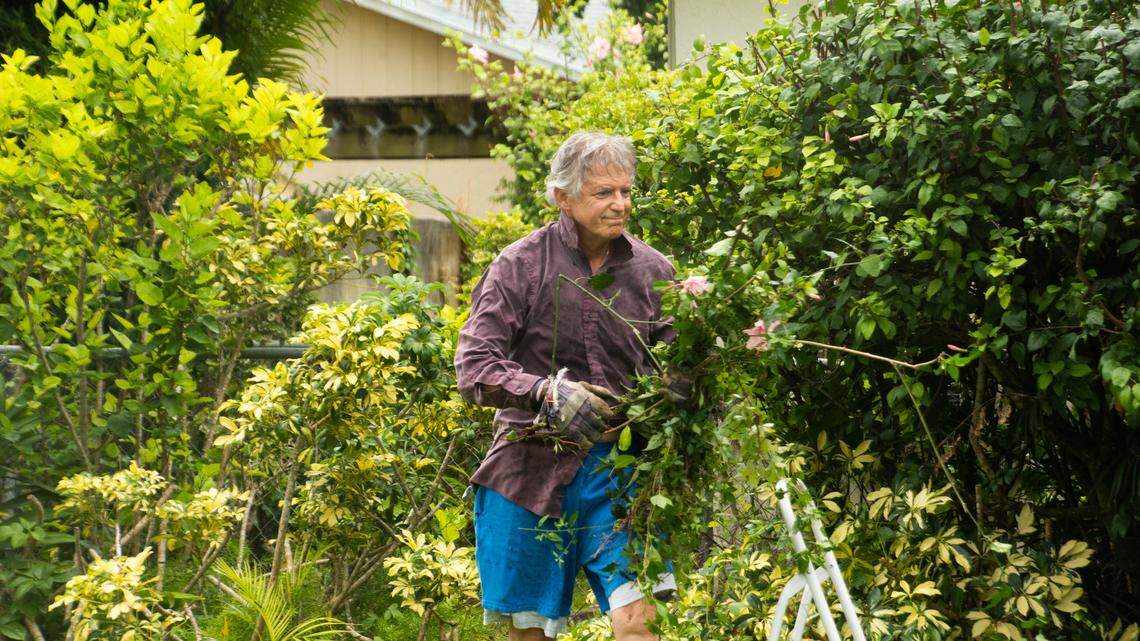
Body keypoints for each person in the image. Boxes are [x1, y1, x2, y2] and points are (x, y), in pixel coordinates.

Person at [455, 132, 677, 640]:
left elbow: (680, 359)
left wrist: (682, 386)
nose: (619, 204)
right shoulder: (520, 265)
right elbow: (473, 366)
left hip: (620, 474)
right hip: (529, 471)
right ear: (563, 197)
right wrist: (545, 392)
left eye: (625, 191)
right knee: (530, 633)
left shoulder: (653, 271)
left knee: (639, 624)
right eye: (603, 193)